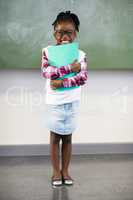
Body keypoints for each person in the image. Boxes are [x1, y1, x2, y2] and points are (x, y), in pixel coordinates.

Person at [41, 10, 88, 187]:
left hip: (73, 101)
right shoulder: (48, 51)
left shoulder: (81, 54)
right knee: (54, 137)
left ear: (75, 33)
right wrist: (70, 68)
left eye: (69, 32)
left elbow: (82, 78)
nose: (64, 36)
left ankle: (65, 171)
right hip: (54, 103)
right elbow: (47, 72)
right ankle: (55, 172)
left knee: (68, 137)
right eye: (60, 32)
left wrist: (60, 83)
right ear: (55, 33)